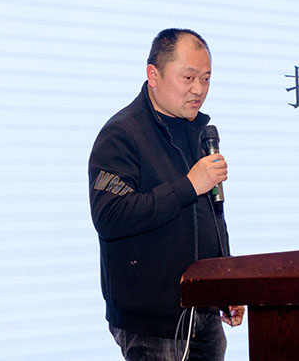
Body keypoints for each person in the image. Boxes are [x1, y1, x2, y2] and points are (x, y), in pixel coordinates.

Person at [88, 28, 244, 361]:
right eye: (188, 77)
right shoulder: (122, 134)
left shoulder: (197, 132)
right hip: (152, 325)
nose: (199, 89)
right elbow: (110, 216)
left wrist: (227, 283)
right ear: (153, 75)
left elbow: (211, 218)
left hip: (204, 314)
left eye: (206, 79)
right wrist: (188, 185)